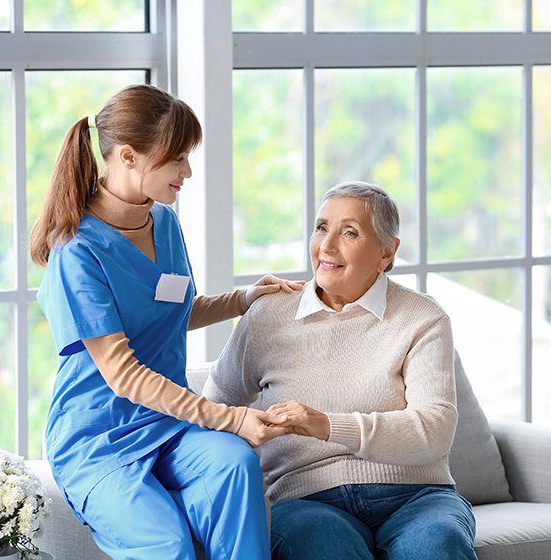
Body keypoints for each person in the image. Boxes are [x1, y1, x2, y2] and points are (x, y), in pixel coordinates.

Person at [29, 84, 300, 560]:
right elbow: (124, 373)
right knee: (168, 544)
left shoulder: (166, 223)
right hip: (99, 437)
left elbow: (175, 311)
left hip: (166, 424)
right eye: (177, 159)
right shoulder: (76, 251)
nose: (188, 171)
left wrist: (245, 298)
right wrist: (232, 418)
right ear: (129, 157)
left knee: (237, 464)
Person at [203, 180, 478, 560]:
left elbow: (434, 431)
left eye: (349, 232)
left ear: (386, 252)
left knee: (436, 546)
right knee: (325, 548)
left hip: (417, 495)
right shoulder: (268, 314)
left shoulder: (423, 318)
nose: (327, 246)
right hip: (305, 497)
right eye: (321, 228)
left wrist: (325, 425)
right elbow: (210, 411)